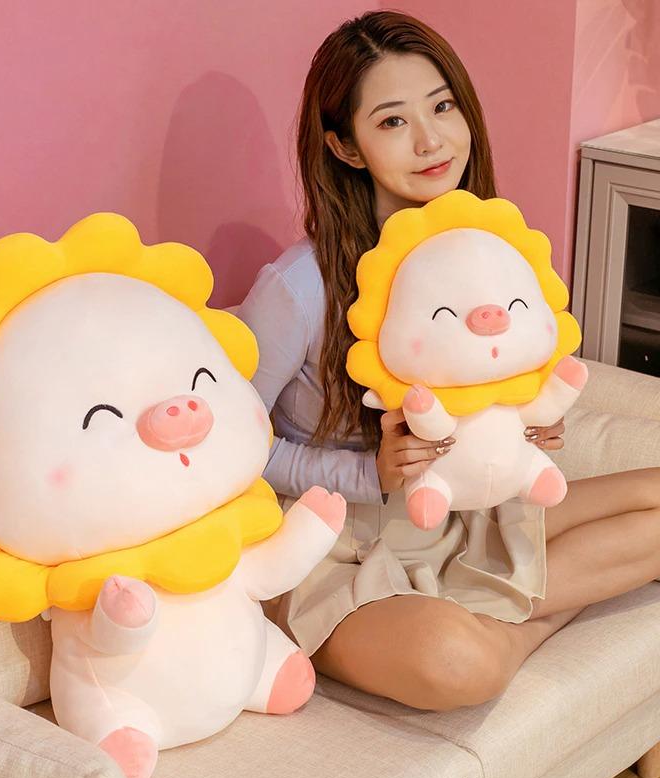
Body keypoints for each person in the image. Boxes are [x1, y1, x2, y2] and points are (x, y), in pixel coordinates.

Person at [237, 9, 660, 712]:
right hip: (331, 546)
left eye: (442, 106)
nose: (431, 139)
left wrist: (523, 427)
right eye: (392, 121)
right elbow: (234, 448)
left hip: (457, 515)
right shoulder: (299, 288)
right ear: (345, 146)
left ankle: (492, 611)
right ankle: (512, 629)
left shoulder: (485, 256)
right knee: (458, 665)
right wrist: (364, 472)